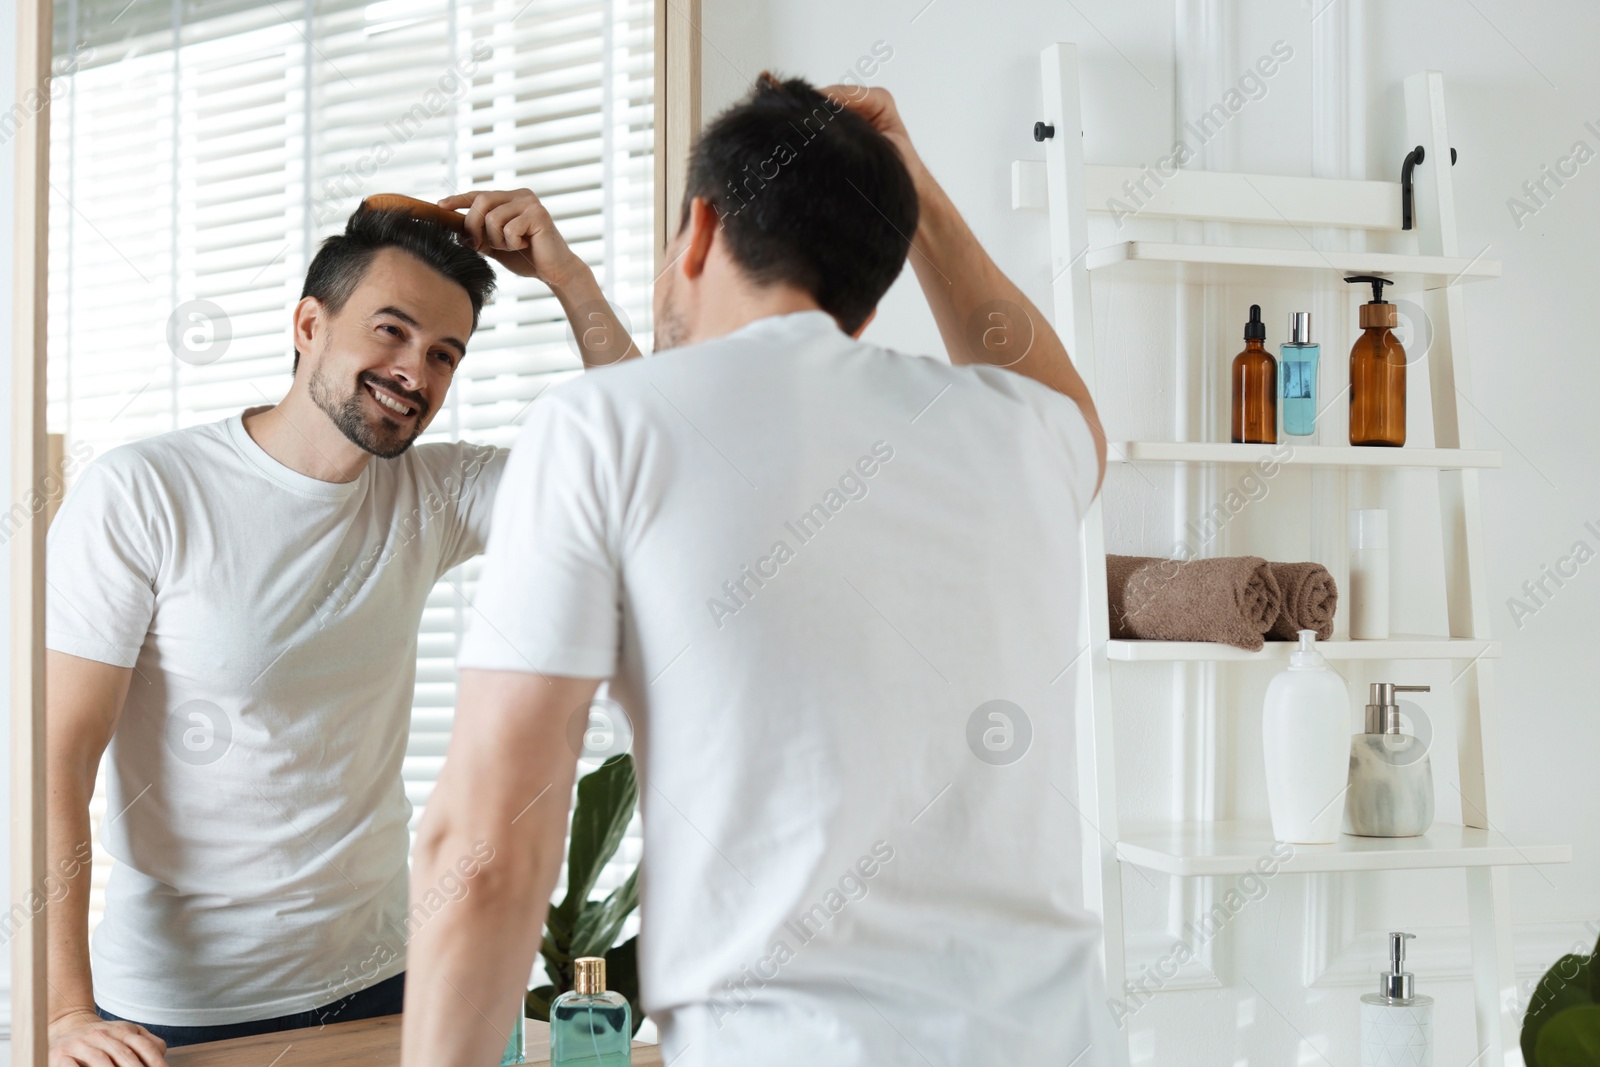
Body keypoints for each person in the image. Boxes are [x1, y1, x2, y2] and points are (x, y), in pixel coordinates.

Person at [402, 73, 1119, 1067]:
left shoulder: (600, 430)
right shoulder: (1025, 437)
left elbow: (485, 848)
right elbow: (1062, 400)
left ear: (700, 230)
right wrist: (910, 193)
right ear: (865, 306)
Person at [45, 189, 637, 1066]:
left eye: (445, 353)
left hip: (388, 982)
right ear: (308, 324)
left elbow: (637, 471)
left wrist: (568, 275)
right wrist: (63, 1010)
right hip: (185, 1009)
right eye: (390, 330)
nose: (415, 371)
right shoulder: (144, 492)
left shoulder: (434, 492)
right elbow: (55, 756)